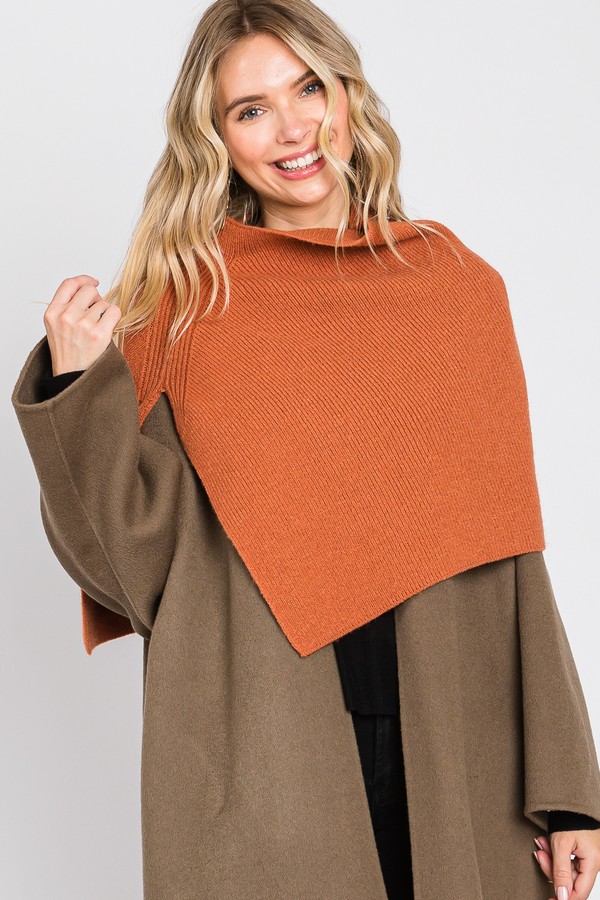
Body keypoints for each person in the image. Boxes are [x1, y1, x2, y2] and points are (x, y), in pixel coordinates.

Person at [11, 1, 600, 898]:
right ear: (216, 139)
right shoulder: (185, 311)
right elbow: (128, 571)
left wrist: (567, 789)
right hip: (270, 752)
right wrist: (77, 387)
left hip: (456, 746)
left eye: (309, 89)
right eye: (251, 109)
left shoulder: (455, 288)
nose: (293, 129)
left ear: (347, 96)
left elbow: (512, 554)